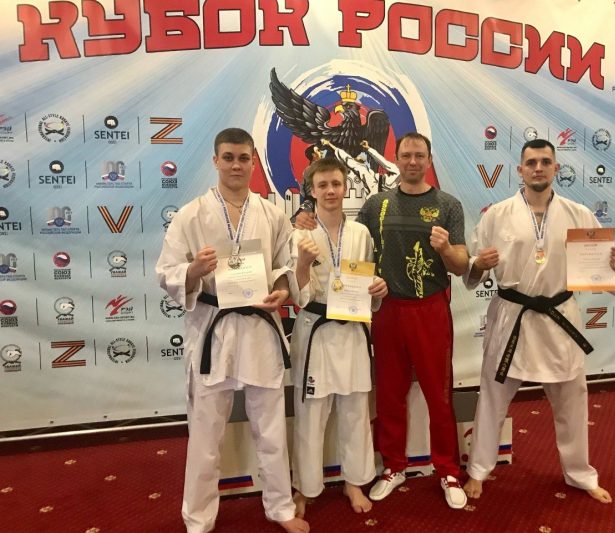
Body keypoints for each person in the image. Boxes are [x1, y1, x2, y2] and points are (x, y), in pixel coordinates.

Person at [296, 132, 470, 509]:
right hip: (387, 309)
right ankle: (393, 466)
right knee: (389, 394)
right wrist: (303, 212)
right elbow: (347, 243)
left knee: (439, 394)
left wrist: (445, 249)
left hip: (430, 308)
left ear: (429, 159)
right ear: (396, 158)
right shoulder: (377, 205)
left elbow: (461, 265)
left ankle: (448, 470)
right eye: (406, 155)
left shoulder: (448, 205)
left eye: (419, 155)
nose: (412, 161)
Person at [155, 128, 309, 533]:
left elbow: (284, 265)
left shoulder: (272, 214)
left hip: (259, 329)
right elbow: (166, 272)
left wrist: (281, 289)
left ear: (254, 161)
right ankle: (198, 519)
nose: (236, 165)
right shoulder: (191, 215)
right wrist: (193, 269)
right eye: (228, 157)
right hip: (213, 330)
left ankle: (280, 507)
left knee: (271, 429)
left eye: (243, 158)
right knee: (206, 435)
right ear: (216, 161)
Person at [462, 138, 615, 504]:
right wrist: (478, 265)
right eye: (531, 162)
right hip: (513, 317)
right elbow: (472, 272)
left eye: (544, 161)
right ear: (520, 170)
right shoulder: (496, 215)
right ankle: (478, 469)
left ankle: (579, 473)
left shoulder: (579, 214)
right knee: (492, 396)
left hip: (559, 318)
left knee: (573, 399)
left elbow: (600, 273)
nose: (538, 168)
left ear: (556, 168)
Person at [288, 158, 388, 518]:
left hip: (352, 329)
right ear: (312, 191)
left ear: (346, 187)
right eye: (323, 185)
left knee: (356, 408)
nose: (330, 191)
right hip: (315, 330)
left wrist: (378, 289)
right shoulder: (299, 235)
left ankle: (354, 481)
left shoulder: (361, 233)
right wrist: (302, 263)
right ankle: (305, 487)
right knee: (310, 414)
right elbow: (297, 296)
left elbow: (368, 287)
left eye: (336, 184)